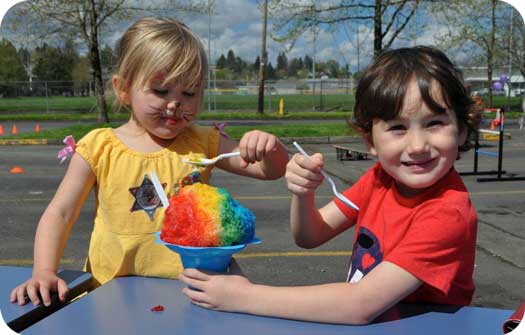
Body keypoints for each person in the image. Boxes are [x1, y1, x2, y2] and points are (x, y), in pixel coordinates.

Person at [179, 46, 479, 325]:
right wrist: (302, 193)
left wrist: (244, 296)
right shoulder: (380, 180)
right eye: (397, 128)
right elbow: (310, 235)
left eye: (434, 123)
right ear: (370, 141)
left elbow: (361, 304)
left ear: (462, 130)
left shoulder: (447, 214)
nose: (417, 146)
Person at [10, 17, 288, 307]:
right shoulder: (99, 147)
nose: (175, 103)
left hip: (193, 294)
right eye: (160, 90)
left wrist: (269, 148)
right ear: (123, 89)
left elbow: (270, 170)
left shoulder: (205, 141)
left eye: (189, 93)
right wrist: (43, 271)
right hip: (110, 298)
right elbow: (61, 213)